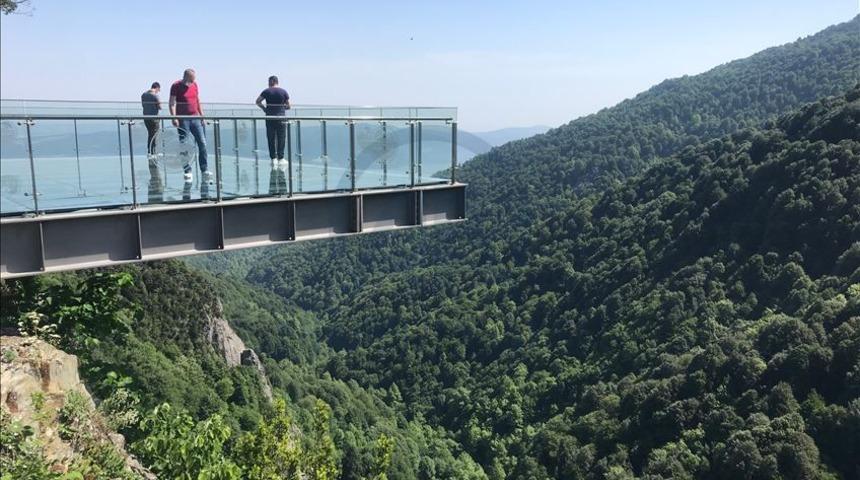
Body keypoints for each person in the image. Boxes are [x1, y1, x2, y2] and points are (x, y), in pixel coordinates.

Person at [169, 68, 210, 183]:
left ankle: (204, 169)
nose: (192, 82)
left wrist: (202, 116)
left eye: (193, 80)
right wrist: (174, 117)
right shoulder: (176, 86)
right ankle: (187, 170)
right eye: (191, 80)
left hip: (195, 118)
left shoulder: (195, 85)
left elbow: (197, 101)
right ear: (186, 77)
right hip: (183, 119)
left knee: (202, 142)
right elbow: (172, 102)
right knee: (184, 144)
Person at [255, 75, 290, 165]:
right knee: (281, 137)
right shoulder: (283, 92)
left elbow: (258, 101)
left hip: (269, 117)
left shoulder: (266, 91)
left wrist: (264, 109)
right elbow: (289, 106)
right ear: (277, 82)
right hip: (281, 117)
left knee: (271, 137)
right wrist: (282, 108)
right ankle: (281, 158)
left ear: (271, 81)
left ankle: (273, 158)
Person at [141, 82, 161, 160]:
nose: (158, 91)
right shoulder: (155, 95)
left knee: (150, 134)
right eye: (158, 90)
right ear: (157, 88)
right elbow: (159, 106)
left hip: (146, 117)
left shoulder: (143, 95)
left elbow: (143, 105)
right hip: (154, 118)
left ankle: (150, 151)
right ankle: (153, 152)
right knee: (154, 134)